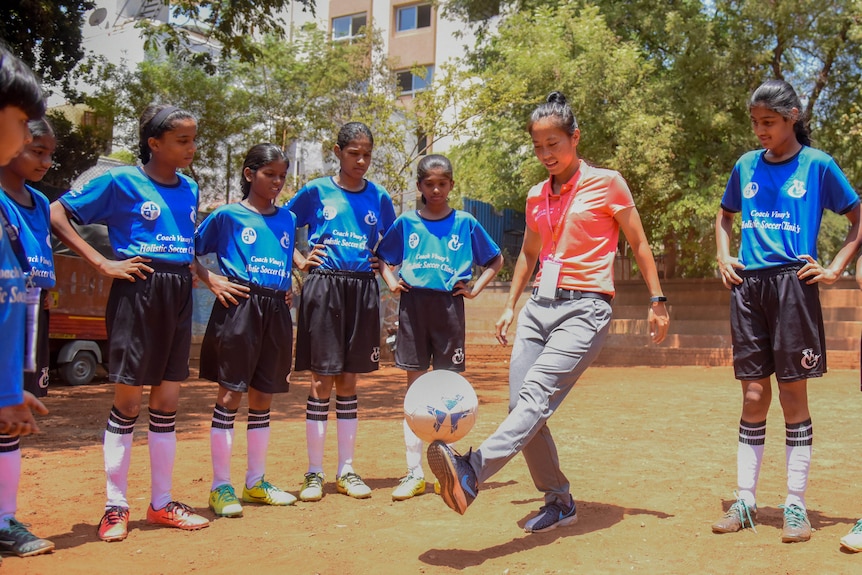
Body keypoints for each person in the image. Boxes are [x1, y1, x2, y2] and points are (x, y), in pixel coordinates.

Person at [426, 91, 670, 533]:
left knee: (535, 397)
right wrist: (510, 306)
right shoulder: (537, 193)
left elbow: (638, 241)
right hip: (539, 307)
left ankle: (472, 470)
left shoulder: (608, 183)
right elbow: (528, 254)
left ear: (575, 137)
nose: (545, 154)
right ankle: (559, 500)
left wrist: (657, 300)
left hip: (585, 308)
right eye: (538, 146)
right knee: (525, 407)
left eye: (553, 144)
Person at [50, 104, 210, 542]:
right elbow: (56, 213)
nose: (191, 148)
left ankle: (160, 504)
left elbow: (187, 248)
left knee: (167, 402)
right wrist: (102, 262)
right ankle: (114, 507)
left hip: (178, 292)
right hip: (137, 289)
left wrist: (205, 277)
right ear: (154, 143)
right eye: (183, 140)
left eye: (194, 139)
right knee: (128, 403)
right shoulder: (121, 181)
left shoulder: (191, 187)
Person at [713, 79, 861, 544]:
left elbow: (858, 217)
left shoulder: (818, 165)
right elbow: (724, 215)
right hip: (748, 288)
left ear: (792, 116)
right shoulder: (745, 165)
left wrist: (837, 266)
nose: (761, 131)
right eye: (755, 123)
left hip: (794, 287)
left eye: (769, 123)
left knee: (793, 397)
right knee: (754, 396)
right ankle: (746, 500)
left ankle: (795, 505)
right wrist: (723, 256)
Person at [376, 154, 502, 501]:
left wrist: (475, 288)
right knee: (415, 388)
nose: (435, 189)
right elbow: (383, 257)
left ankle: (448, 469)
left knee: (448, 390)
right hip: (414, 306)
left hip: (449, 307)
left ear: (451, 185)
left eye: (442, 184)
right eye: (429, 184)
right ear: (419, 186)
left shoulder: (465, 222)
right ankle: (414, 471)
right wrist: (391, 279)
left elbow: (495, 259)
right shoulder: (406, 223)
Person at [287, 121, 396, 501]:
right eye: (354, 153)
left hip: (361, 290)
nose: (361, 161)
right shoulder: (316, 190)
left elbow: (392, 243)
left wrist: (383, 266)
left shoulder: (380, 197)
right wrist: (300, 259)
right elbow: (280, 225)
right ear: (337, 152)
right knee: (321, 381)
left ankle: (346, 470)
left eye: (367, 154)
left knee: (349, 382)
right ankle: (314, 473)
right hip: (324, 286)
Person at [194, 143, 298, 517]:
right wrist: (212, 280)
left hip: (276, 311)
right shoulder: (227, 216)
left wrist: (288, 287)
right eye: (270, 174)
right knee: (229, 396)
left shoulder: (286, 218)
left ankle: (255, 482)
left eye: (282, 176)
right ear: (249, 173)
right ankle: (220, 486)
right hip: (240, 307)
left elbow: (285, 260)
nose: (277, 182)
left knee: (263, 396)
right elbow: (188, 252)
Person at [0, 45, 51, 560]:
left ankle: (3, 517)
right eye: (22, 125)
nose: (39, 155)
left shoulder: (36, 203)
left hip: (25, 321)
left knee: (11, 428)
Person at [0, 118, 57, 398]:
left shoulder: (42, 202)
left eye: (50, 154)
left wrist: (44, 286)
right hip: (6, 302)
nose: (46, 162)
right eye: (37, 151)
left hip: (34, 306)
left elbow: (42, 248)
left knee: (21, 395)